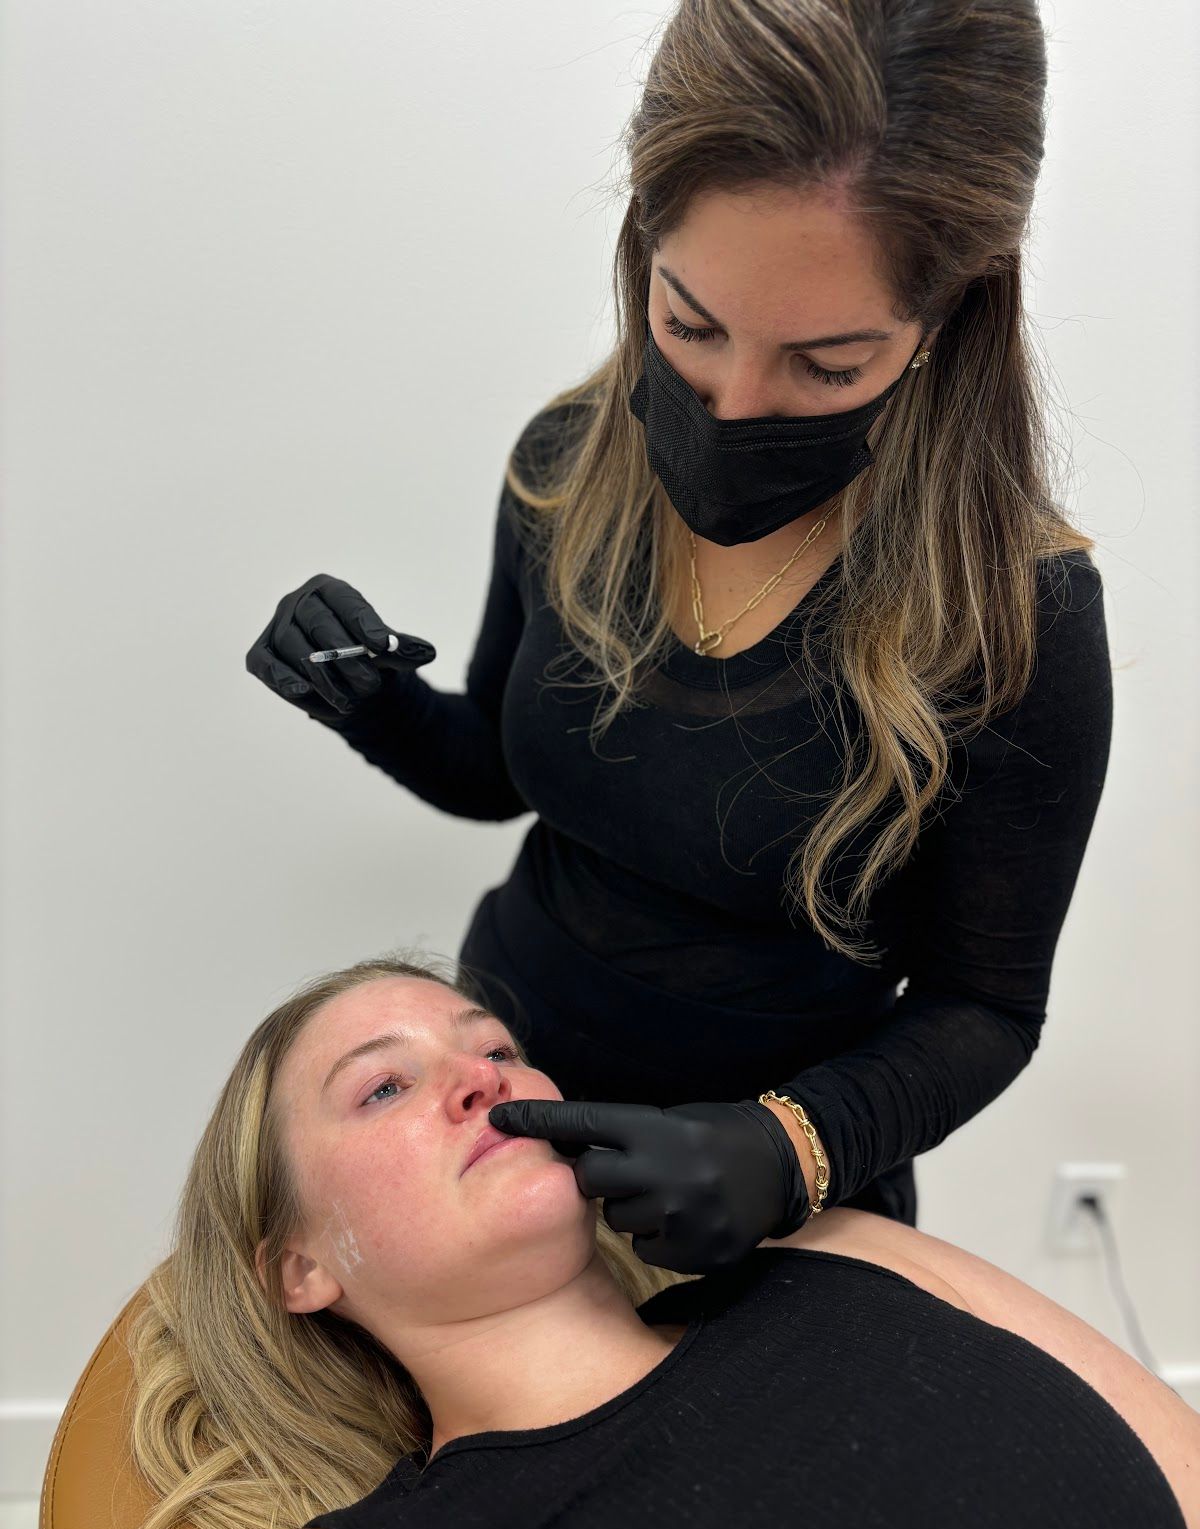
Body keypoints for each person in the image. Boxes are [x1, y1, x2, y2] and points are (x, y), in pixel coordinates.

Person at [245, 0, 1114, 1276]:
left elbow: (986, 1007)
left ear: (946, 321)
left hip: (774, 1207)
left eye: (826, 365)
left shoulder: (1011, 613)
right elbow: (499, 774)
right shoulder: (566, 467)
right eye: (690, 325)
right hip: (503, 1112)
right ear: (642, 240)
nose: (734, 407)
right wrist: (370, 701)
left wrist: (786, 1148)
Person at [106, 956, 1194, 1529]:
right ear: (298, 1268)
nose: (479, 1078)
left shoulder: (843, 1253)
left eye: (493, 1047)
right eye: (384, 1087)